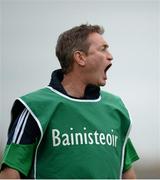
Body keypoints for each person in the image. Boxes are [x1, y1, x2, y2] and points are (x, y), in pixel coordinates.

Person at [0, 24, 139, 179]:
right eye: (103, 49)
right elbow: (10, 172)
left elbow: (126, 171)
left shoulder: (116, 108)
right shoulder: (35, 107)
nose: (110, 56)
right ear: (80, 57)